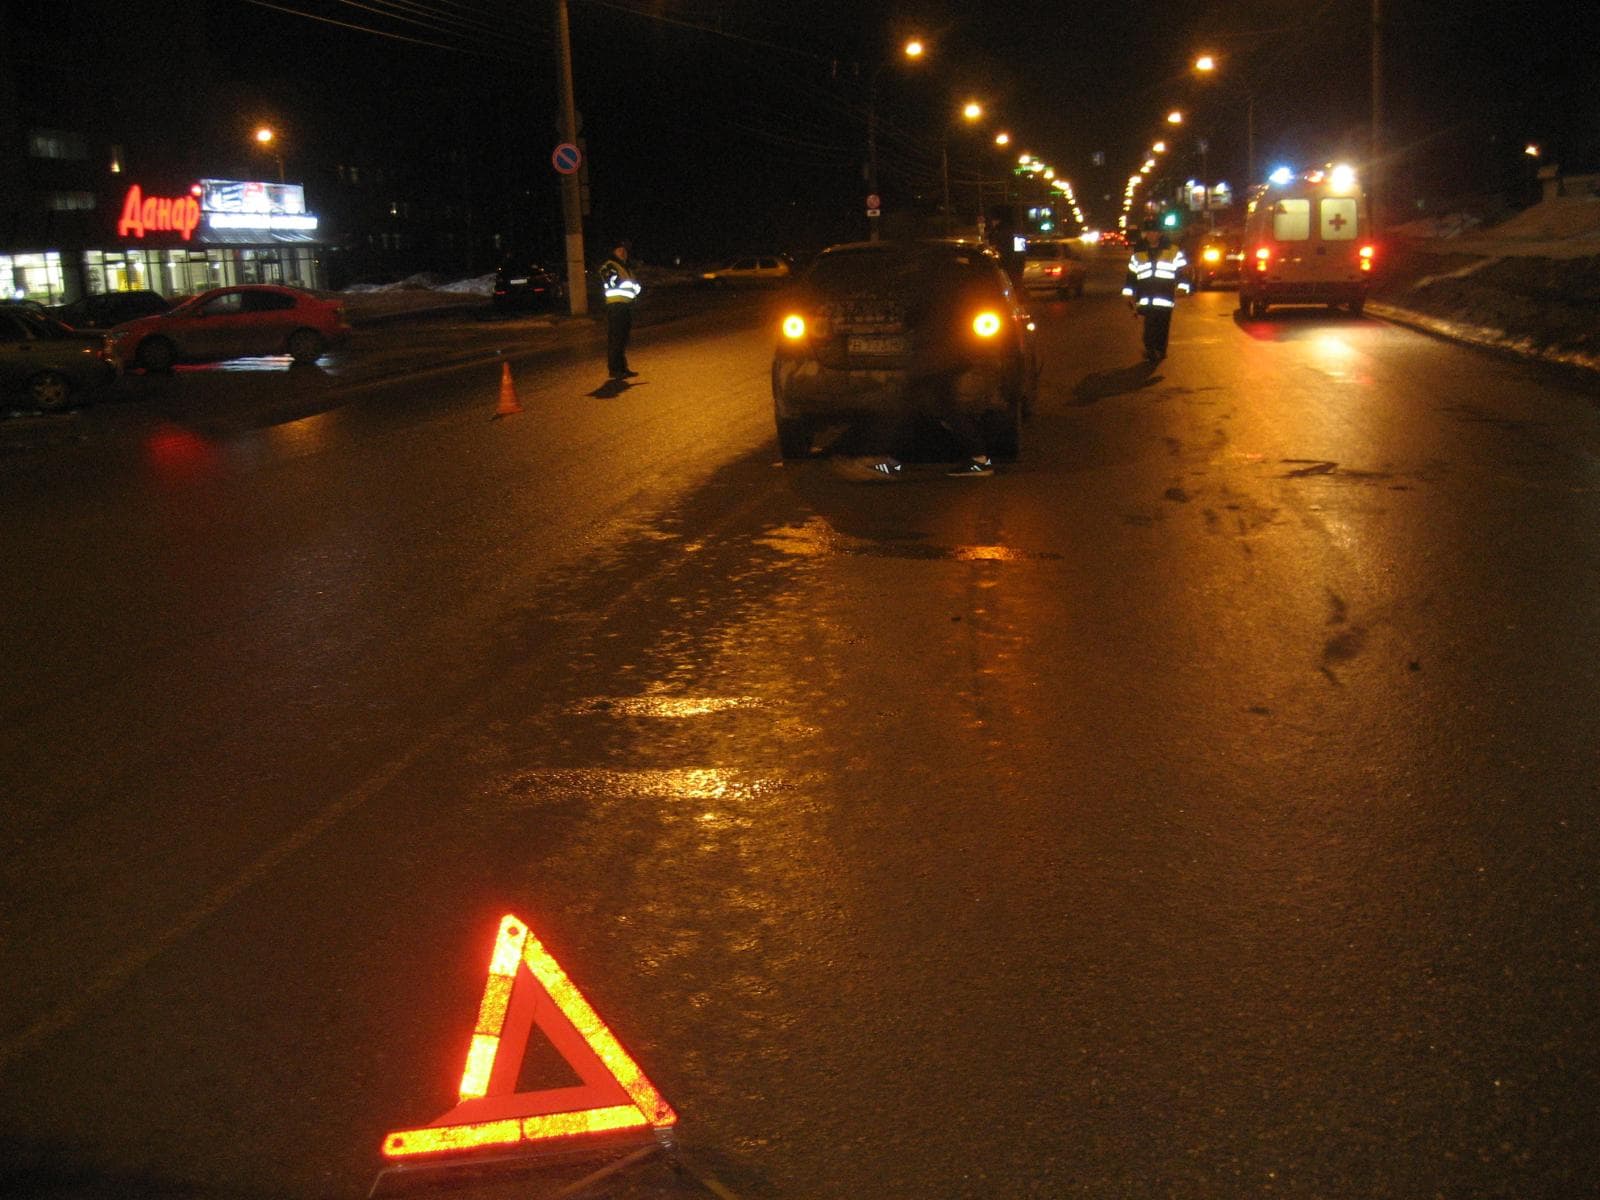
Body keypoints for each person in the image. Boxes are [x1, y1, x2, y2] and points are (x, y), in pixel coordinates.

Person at [1122, 218, 1191, 362]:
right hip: (1145, 297)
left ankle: (1160, 349)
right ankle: (1151, 350)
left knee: (1162, 326)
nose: (1151, 235)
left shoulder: (1173, 251)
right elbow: (1131, 276)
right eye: (1148, 232)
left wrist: (1183, 287)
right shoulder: (1138, 253)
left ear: (1160, 234)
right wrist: (1128, 293)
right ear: (1145, 234)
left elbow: (1183, 272)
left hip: (1164, 297)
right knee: (1149, 326)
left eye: (1154, 232)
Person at [598, 242, 642, 379]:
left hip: (626, 306)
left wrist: (637, 291)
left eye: (624, 250)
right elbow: (607, 277)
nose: (622, 252)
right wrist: (612, 278)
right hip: (616, 306)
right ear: (613, 252)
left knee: (623, 339)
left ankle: (622, 368)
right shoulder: (610, 265)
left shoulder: (626, 268)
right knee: (616, 339)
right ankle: (614, 370)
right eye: (619, 250)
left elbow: (633, 286)